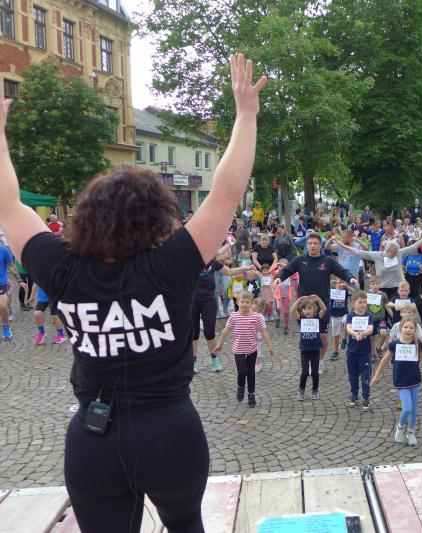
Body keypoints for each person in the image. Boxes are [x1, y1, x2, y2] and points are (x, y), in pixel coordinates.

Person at [0, 55, 266, 531]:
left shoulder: (61, 268)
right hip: (170, 433)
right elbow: (226, 192)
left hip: (94, 438)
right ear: (158, 219)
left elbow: (7, 205)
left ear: (85, 215)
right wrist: (246, 115)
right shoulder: (172, 264)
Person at [274, 231, 358, 359]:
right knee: (309, 335)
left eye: (315, 243)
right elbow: (286, 270)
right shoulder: (300, 260)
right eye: (310, 243)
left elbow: (342, 271)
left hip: (323, 303)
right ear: (307, 245)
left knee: (323, 336)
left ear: (320, 245)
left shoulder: (328, 261)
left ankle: (320, 361)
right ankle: (309, 360)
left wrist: (351, 277)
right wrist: (278, 277)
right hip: (304, 305)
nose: (312, 246)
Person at [371, 318, 422, 446]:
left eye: (411, 328)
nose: (408, 330)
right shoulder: (394, 344)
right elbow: (384, 360)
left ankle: (411, 432)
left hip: (414, 380)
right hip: (401, 381)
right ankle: (400, 427)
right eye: (406, 327)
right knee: (407, 408)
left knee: (413, 409)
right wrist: (376, 375)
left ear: (415, 330)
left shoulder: (417, 344)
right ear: (401, 329)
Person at [214, 291, 275, 407]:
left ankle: (251, 394)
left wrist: (269, 346)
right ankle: (241, 387)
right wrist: (219, 344)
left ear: (251, 304)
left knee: (251, 372)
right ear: (238, 302)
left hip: (252, 350)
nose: (244, 304)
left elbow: (263, 331)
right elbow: (226, 330)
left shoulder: (257, 317)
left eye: (247, 302)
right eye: (242, 302)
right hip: (238, 350)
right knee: (242, 372)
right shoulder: (233, 316)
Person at [291, 295, 327, 401]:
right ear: (302, 311)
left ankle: (315, 390)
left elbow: (324, 309)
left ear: (313, 310)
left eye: (309, 308)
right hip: (304, 350)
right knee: (305, 372)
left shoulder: (317, 318)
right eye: (305, 309)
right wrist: (299, 300)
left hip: (315, 349)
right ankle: (301, 390)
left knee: (315, 372)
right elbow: (293, 310)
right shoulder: (301, 319)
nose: (307, 310)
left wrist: (318, 299)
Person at [345, 290, 375, 411]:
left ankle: (366, 397)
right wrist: (355, 334)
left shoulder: (369, 316)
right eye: (360, 302)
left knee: (365, 377)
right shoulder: (350, 316)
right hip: (352, 352)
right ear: (353, 303)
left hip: (365, 352)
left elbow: (371, 329)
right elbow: (348, 328)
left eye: (365, 302)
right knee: (352, 376)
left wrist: (362, 333)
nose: (363, 304)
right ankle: (354, 394)